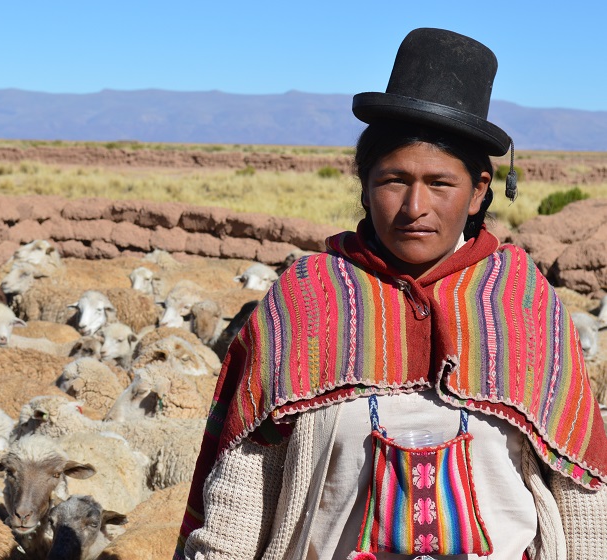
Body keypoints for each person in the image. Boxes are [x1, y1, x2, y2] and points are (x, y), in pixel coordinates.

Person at [175, 28, 607, 560]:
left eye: (440, 184)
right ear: (365, 183)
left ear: (478, 191)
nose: (414, 206)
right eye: (393, 180)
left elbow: (581, 487)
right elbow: (245, 481)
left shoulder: (522, 302)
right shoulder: (308, 297)